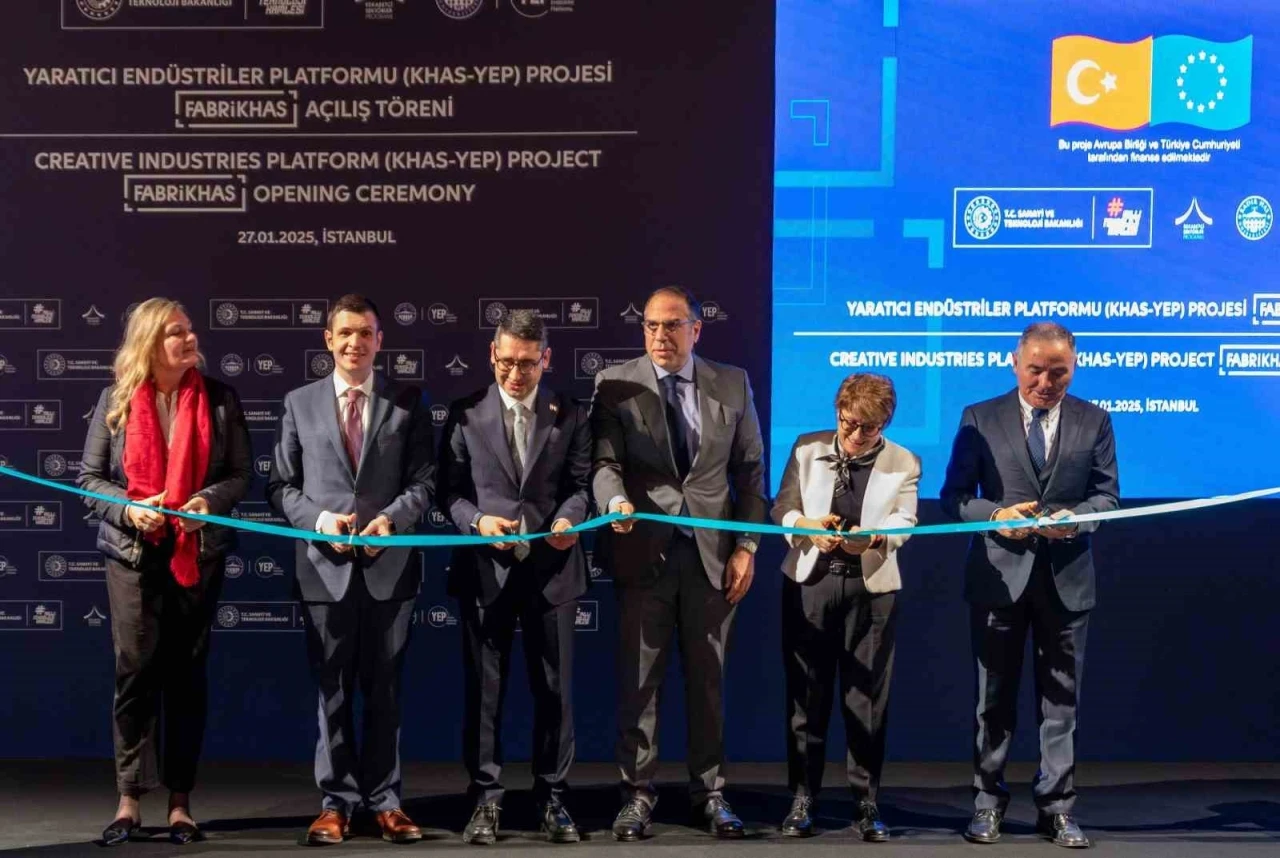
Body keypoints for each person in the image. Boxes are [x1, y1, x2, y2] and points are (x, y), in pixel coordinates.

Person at [591, 285, 767, 840]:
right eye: (650, 326)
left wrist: (747, 547)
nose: (660, 336)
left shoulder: (732, 382)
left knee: (709, 683)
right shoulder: (614, 383)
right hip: (643, 551)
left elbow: (750, 474)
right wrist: (613, 502)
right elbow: (604, 463)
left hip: (713, 558)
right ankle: (637, 795)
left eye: (672, 325)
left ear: (696, 329)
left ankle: (710, 793)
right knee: (639, 682)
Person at [78, 298, 252, 846]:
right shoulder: (116, 400)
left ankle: (180, 802)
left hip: (195, 553)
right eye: (177, 332)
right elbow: (89, 480)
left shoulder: (220, 399)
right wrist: (130, 509)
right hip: (132, 555)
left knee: (186, 676)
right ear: (151, 343)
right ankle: (129, 799)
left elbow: (239, 474)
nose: (190, 338)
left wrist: (205, 503)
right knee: (135, 672)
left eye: (190, 329)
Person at [940, 322, 1119, 849]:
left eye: (1058, 373)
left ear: (1074, 368)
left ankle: (1057, 809)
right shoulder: (980, 416)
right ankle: (986, 803)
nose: (1045, 383)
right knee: (992, 701)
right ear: (1015, 363)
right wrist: (996, 516)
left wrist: (1076, 520)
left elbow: (1107, 498)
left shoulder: (1095, 420)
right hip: (999, 579)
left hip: (1067, 581)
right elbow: (954, 497)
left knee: (1061, 703)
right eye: (1036, 370)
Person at [266, 294, 435, 846]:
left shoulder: (409, 401)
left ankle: (386, 803)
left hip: (391, 569)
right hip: (324, 570)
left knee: (386, 692)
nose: (354, 343)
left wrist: (391, 519)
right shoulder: (299, 403)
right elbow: (280, 486)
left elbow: (425, 483)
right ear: (328, 339)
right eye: (345, 333)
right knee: (332, 692)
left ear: (380, 340)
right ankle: (335, 804)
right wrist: (319, 521)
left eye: (365, 333)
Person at [438, 310, 591, 845]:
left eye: (527, 363)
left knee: (556, 693)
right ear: (492, 355)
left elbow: (581, 485)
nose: (515, 373)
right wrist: (478, 522)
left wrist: (569, 519)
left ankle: (553, 799)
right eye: (506, 362)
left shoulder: (570, 412)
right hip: (486, 571)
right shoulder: (464, 414)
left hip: (554, 569)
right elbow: (448, 492)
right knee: (485, 693)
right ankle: (485, 800)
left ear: (545, 359)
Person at [770, 373, 920, 841]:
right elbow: (782, 508)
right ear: (838, 412)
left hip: (870, 590)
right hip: (811, 584)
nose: (855, 435)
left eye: (868, 428)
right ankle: (802, 797)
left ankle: (866, 802)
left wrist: (872, 539)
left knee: (867, 700)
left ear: (885, 423)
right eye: (848, 423)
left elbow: (905, 520)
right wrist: (807, 526)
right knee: (806, 696)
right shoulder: (806, 447)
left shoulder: (904, 462)